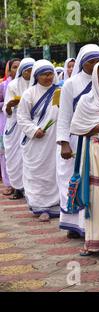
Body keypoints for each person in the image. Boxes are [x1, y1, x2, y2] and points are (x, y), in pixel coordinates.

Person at [70, 60, 99, 255]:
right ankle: (95, 242)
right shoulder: (86, 101)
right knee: (96, 197)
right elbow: (78, 127)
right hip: (96, 153)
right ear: (95, 79)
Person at [57, 44, 99, 238]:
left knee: (93, 182)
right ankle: (73, 223)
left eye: (97, 61)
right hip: (77, 141)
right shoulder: (71, 84)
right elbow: (64, 115)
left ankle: (91, 226)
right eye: (90, 61)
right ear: (82, 63)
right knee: (74, 180)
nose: (94, 65)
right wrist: (64, 142)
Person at [16, 60, 60, 221]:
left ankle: (57, 205)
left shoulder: (59, 91)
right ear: (37, 76)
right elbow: (22, 118)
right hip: (37, 142)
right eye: (44, 74)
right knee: (38, 174)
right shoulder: (30, 94)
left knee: (54, 171)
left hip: (55, 140)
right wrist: (35, 131)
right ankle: (40, 206)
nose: (48, 77)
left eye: (50, 73)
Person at [3, 58, 35, 200]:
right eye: (26, 70)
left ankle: (30, 189)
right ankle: (17, 187)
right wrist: (10, 105)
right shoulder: (13, 85)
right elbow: (6, 110)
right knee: (15, 158)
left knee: (29, 157)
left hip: (31, 123)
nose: (29, 73)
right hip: (15, 126)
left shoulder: (36, 84)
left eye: (31, 70)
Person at [0, 58, 20, 196]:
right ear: (9, 69)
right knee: (6, 154)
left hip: (24, 124)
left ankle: (21, 185)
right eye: (14, 67)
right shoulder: (3, 85)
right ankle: (9, 183)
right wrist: (7, 104)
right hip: (6, 123)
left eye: (20, 66)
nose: (17, 69)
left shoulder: (31, 84)